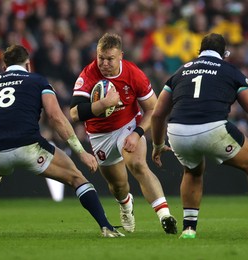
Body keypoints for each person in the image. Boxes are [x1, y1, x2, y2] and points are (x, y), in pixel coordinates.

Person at [151, 33, 248, 239]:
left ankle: (188, 229)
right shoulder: (230, 71)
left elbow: (158, 114)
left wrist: (158, 144)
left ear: (199, 52)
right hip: (212, 128)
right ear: (225, 54)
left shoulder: (180, 71)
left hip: (177, 131)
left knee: (192, 171)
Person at [0, 44, 123, 238]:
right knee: (76, 178)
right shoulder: (37, 81)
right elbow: (55, 117)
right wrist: (81, 152)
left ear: (4, 67)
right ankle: (106, 227)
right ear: (28, 65)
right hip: (29, 147)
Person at [70, 33, 177, 234]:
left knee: (137, 164)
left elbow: (153, 109)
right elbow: (74, 113)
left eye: (110, 59)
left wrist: (137, 133)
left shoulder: (134, 74)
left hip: (128, 126)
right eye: (100, 57)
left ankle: (165, 216)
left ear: (121, 56)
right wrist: (103, 104)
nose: (104, 63)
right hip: (99, 135)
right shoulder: (88, 75)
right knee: (118, 186)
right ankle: (126, 204)